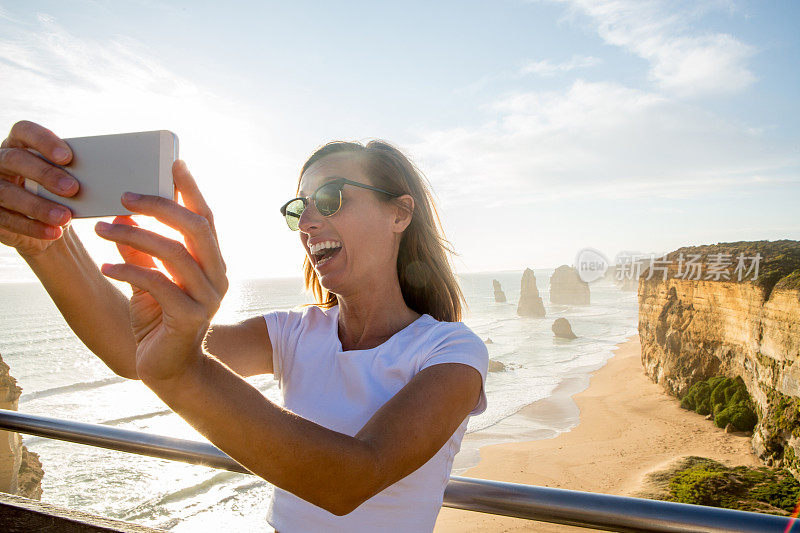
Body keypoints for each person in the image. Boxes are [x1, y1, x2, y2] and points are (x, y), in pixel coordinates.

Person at [0, 120, 488, 532]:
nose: (308, 221)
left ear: (400, 213)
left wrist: (181, 372)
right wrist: (43, 240)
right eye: (299, 208)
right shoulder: (294, 332)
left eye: (331, 197)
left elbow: (352, 480)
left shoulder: (451, 350)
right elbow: (137, 352)